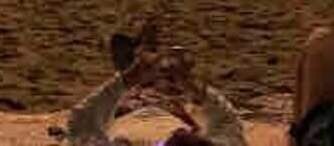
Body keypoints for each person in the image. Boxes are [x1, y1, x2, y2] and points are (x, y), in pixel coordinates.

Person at [66, 41, 246, 146]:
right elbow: (228, 123)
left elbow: (80, 124)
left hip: (133, 117)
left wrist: (127, 79)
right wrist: (191, 86)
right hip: (161, 115)